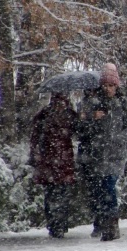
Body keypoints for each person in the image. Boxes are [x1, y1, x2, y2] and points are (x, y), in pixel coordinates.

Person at [76, 63, 127, 241]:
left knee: (108, 187)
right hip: (97, 156)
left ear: (117, 85)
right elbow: (81, 130)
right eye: (105, 85)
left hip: (115, 156)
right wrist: (93, 119)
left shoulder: (124, 103)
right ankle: (101, 222)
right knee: (98, 191)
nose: (108, 89)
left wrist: (117, 139)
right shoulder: (93, 103)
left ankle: (111, 227)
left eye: (112, 85)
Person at [29, 93, 78, 238]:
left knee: (56, 193)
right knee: (57, 193)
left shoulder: (48, 114)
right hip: (55, 160)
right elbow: (35, 136)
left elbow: (34, 137)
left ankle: (57, 223)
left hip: (56, 160)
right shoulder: (51, 115)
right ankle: (57, 223)